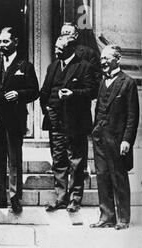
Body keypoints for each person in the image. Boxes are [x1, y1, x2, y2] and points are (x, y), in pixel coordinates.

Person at [40, 35, 96, 213]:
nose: (56, 51)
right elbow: (45, 91)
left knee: (77, 162)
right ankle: (60, 198)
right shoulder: (53, 66)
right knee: (58, 161)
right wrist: (46, 108)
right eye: (56, 47)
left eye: (60, 49)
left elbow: (92, 91)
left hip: (76, 123)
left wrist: (73, 94)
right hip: (55, 122)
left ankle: (75, 199)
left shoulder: (84, 67)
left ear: (71, 49)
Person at [0, 27, 39, 213]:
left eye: (5, 42)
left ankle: (15, 198)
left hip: (14, 120)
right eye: (0, 42)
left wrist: (19, 94)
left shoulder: (25, 66)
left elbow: (35, 91)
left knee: (14, 160)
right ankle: (0, 198)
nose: (1, 46)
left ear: (15, 42)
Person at [90, 45, 140, 230]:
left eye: (106, 58)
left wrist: (127, 140)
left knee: (119, 177)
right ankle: (107, 216)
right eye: (101, 59)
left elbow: (133, 116)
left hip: (118, 140)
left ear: (117, 60)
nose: (102, 62)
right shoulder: (103, 81)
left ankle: (123, 218)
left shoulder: (128, 83)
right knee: (102, 177)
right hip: (100, 138)